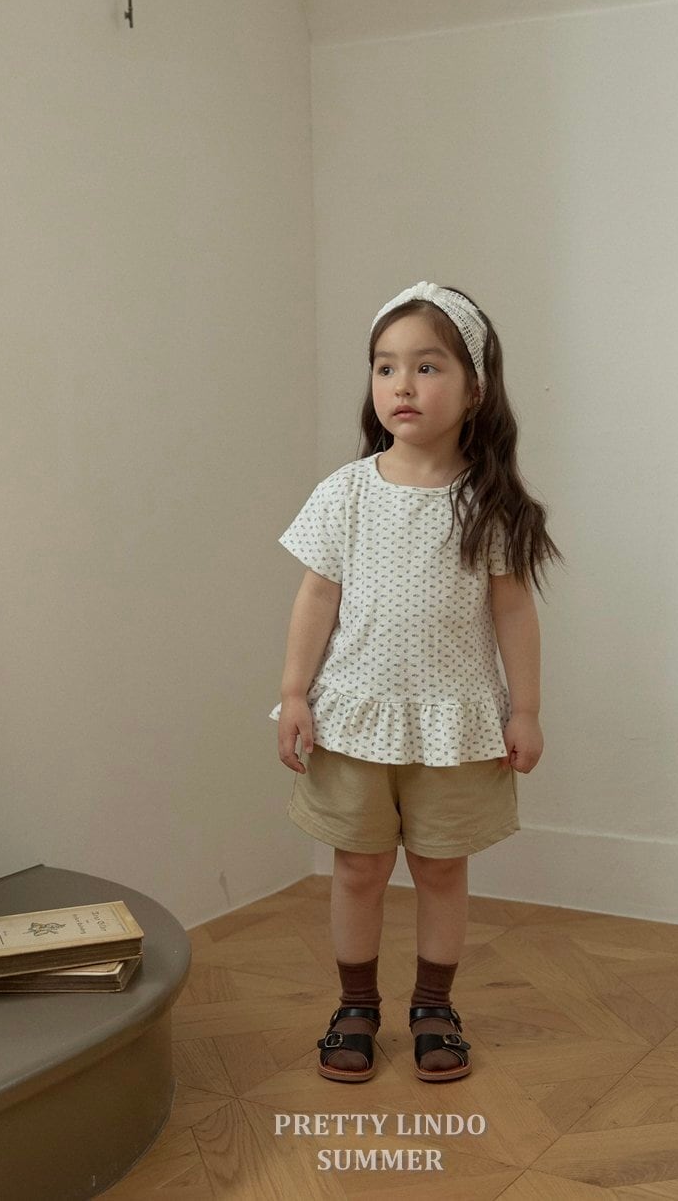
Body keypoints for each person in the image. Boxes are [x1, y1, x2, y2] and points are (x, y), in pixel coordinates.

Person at [271, 281, 562, 1083]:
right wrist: (293, 693)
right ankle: (355, 1005)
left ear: (474, 388)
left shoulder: (487, 503)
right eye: (385, 367)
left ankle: (434, 1005)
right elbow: (316, 597)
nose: (402, 385)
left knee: (439, 867)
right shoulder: (346, 492)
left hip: (454, 724)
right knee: (358, 867)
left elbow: (513, 611)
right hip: (352, 720)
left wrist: (525, 709)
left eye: (427, 367)